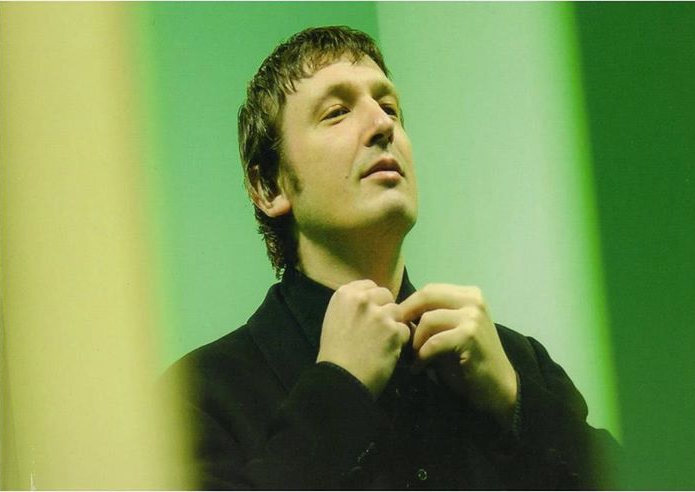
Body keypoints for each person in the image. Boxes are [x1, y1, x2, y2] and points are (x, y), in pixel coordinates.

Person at [162, 25, 620, 490]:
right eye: (337, 112)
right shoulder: (196, 399)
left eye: (389, 109)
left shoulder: (519, 365)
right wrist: (338, 392)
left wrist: (515, 402)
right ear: (268, 186)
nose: (383, 127)